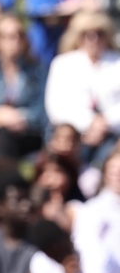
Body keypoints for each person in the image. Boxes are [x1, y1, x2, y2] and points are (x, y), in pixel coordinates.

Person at [44, 10, 120, 167]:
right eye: (86, 34)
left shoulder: (117, 62)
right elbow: (55, 106)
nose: (93, 39)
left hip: (113, 132)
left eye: (99, 33)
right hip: (73, 133)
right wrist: (89, 122)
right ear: (77, 37)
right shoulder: (63, 64)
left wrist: (105, 122)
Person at [0, 12, 48, 158]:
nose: (15, 42)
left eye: (19, 35)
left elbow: (40, 112)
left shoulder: (37, 70)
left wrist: (18, 117)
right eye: (9, 37)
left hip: (27, 133)